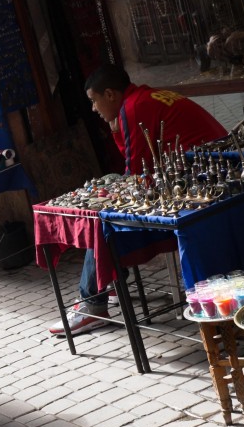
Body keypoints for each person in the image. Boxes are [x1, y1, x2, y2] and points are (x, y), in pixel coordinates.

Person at [48, 64, 229, 336]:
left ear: (110, 94)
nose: (94, 109)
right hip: (212, 169)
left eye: (94, 101)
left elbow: (136, 170)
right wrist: (115, 128)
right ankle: (108, 283)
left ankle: (91, 303)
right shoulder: (144, 97)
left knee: (102, 221)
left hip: (201, 179)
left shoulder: (134, 107)